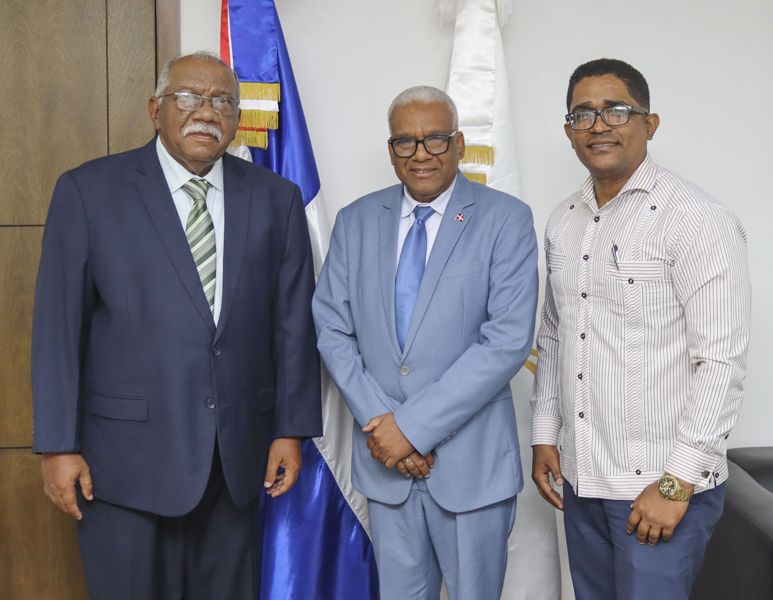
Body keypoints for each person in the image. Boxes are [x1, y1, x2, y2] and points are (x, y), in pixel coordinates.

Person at [31, 51, 322, 600]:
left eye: (222, 101)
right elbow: (57, 330)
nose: (205, 112)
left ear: (237, 118)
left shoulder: (275, 199)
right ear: (155, 108)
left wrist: (290, 429)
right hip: (121, 466)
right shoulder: (89, 192)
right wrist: (56, 446)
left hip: (236, 462)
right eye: (188, 97)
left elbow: (292, 326)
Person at [530, 58, 751, 600]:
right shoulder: (564, 220)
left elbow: (720, 362)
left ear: (650, 124)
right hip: (582, 479)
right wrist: (544, 433)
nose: (599, 124)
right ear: (568, 131)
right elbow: (555, 334)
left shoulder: (697, 218)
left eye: (616, 110)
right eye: (583, 114)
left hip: (661, 488)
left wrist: (676, 484)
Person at [313, 86, 538, 600]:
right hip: (385, 464)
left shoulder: (506, 219)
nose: (421, 155)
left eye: (435, 140)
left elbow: (505, 342)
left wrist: (412, 428)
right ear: (390, 150)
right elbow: (331, 328)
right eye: (405, 143)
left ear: (459, 143)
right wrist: (385, 427)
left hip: (470, 468)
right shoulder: (355, 221)